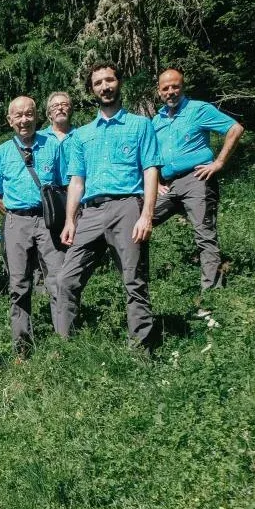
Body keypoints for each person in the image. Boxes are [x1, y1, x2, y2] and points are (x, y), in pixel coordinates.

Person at [57, 63, 161, 349]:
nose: (105, 86)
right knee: (66, 280)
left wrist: (146, 215)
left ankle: (141, 349)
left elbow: (150, 170)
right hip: (90, 212)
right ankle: (69, 348)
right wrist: (70, 220)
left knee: (134, 280)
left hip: (127, 207)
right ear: (92, 90)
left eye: (109, 80)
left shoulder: (140, 125)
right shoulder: (82, 135)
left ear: (119, 83)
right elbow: (77, 181)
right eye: (98, 83)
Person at [150, 67, 245, 290]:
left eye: (175, 86)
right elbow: (150, 155)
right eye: (166, 88)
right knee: (141, 220)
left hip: (197, 179)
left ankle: (212, 293)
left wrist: (219, 162)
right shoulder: (157, 120)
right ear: (159, 91)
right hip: (168, 185)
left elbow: (235, 129)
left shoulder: (198, 110)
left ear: (182, 87)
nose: (171, 91)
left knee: (204, 234)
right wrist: (156, 183)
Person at [0, 97, 67, 354]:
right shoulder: (0, 152)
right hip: (16, 222)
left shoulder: (52, 146)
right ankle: (22, 346)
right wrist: (14, 214)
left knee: (57, 279)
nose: (24, 120)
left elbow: (64, 184)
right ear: (10, 120)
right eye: (18, 116)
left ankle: (64, 341)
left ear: (37, 116)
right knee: (19, 284)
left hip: (49, 222)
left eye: (29, 114)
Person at [43, 91, 79, 184]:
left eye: (64, 104)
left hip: (77, 190)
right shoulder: (39, 139)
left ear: (70, 110)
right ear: (49, 113)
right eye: (55, 106)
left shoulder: (81, 136)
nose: (60, 108)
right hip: (49, 193)